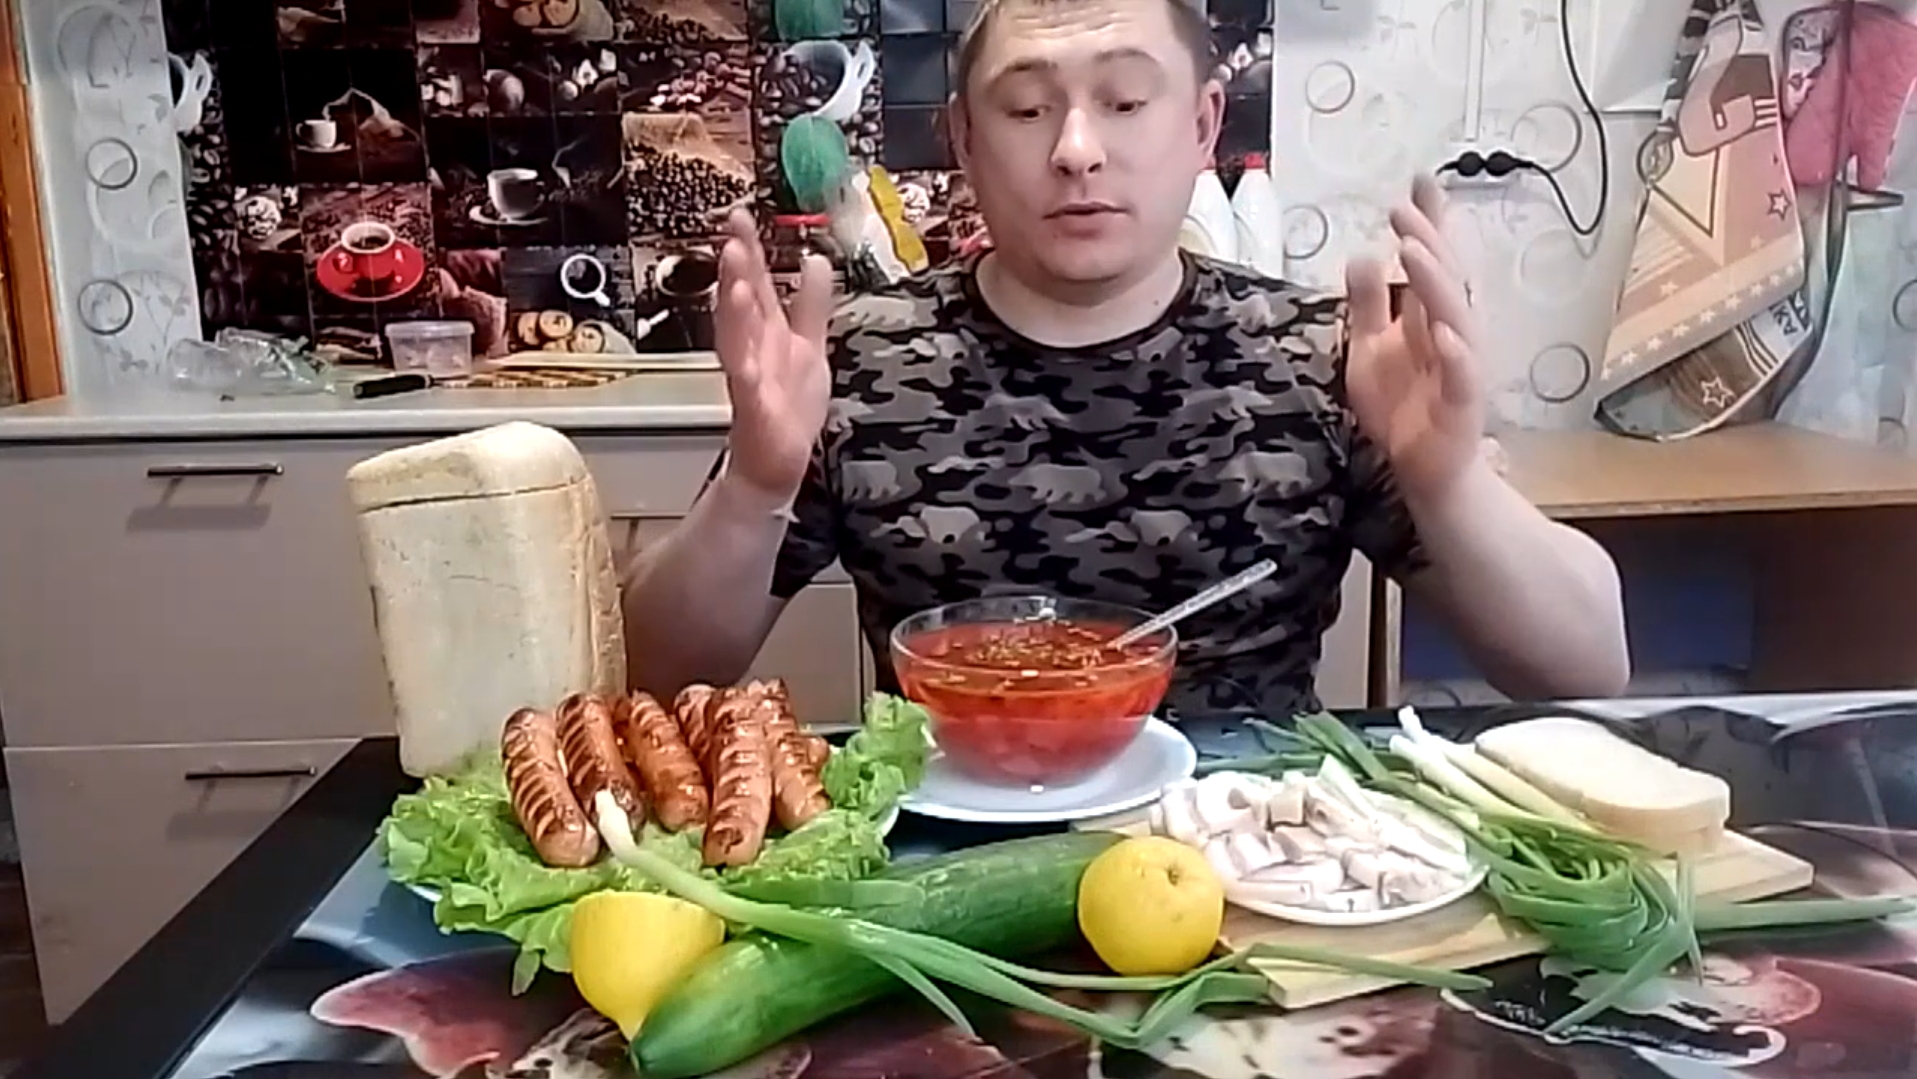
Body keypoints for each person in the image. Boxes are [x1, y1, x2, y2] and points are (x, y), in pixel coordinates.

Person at [620, 0, 1629, 717]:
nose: (1076, 149)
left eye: (1127, 102)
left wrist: (1447, 484)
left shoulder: (1324, 358)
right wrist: (754, 488)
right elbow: (651, 673)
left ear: (1201, 126)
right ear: (964, 139)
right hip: (950, 876)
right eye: (1026, 109)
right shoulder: (861, 360)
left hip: (1259, 870)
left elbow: (1586, 667)